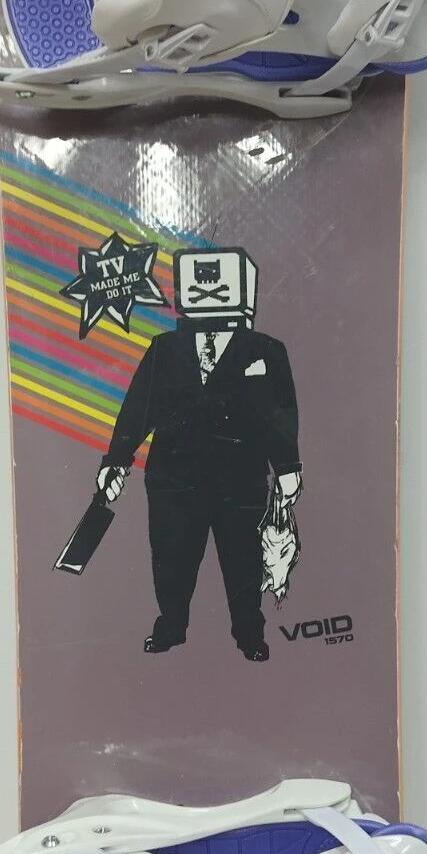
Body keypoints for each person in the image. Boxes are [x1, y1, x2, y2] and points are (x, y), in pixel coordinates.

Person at [97, 248, 301, 661]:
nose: (208, 291)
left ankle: (250, 635)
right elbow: (137, 408)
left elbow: (280, 414)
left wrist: (287, 466)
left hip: (240, 478)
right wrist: (115, 460)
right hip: (174, 479)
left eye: (220, 281)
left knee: (244, 562)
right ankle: (171, 627)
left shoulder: (266, 350)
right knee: (171, 560)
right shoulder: (164, 349)